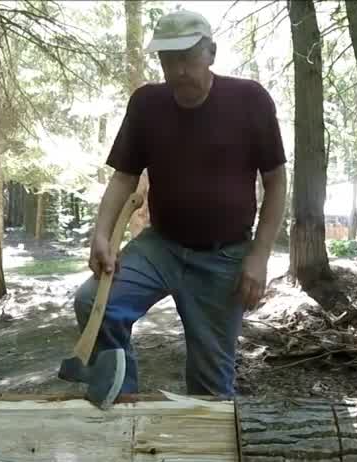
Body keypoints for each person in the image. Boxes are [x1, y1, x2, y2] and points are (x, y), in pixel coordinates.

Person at [74, 9, 287, 399]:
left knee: (210, 389)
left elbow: (275, 182)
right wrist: (101, 234)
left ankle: (205, 451)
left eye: (187, 57)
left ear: (211, 53)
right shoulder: (146, 105)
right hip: (161, 246)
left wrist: (259, 256)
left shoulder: (249, 100)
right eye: (167, 60)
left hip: (223, 258)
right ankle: (122, 397)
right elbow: (124, 176)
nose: (178, 71)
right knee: (93, 301)